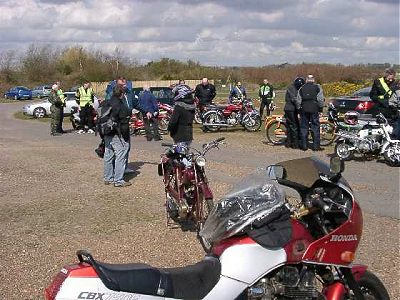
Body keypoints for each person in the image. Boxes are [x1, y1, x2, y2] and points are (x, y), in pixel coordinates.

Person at [103, 86, 132, 187]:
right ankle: (118, 180)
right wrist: (126, 138)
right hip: (117, 134)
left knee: (108, 155)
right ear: (122, 94)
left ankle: (108, 178)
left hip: (106, 133)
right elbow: (124, 125)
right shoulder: (120, 105)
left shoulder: (106, 103)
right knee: (121, 156)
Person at [296, 74, 324, 151]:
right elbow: (320, 99)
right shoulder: (318, 87)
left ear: (306, 80)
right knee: (315, 127)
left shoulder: (302, 88)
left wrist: (298, 110)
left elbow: (298, 101)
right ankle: (316, 146)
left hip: (304, 108)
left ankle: (304, 146)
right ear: (313, 80)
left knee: (304, 127)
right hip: (314, 108)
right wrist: (320, 109)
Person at [168, 82, 195, 147]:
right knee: (185, 153)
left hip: (179, 135)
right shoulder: (192, 106)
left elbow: (173, 122)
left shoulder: (179, 106)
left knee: (179, 155)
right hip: (189, 134)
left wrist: (169, 129)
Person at [284, 77, 305, 149]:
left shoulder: (292, 87)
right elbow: (294, 99)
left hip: (289, 108)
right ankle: (295, 144)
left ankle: (288, 143)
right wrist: (299, 108)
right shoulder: (292, 88)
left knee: (289, 126)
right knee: (294, 126)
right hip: (291, 109)